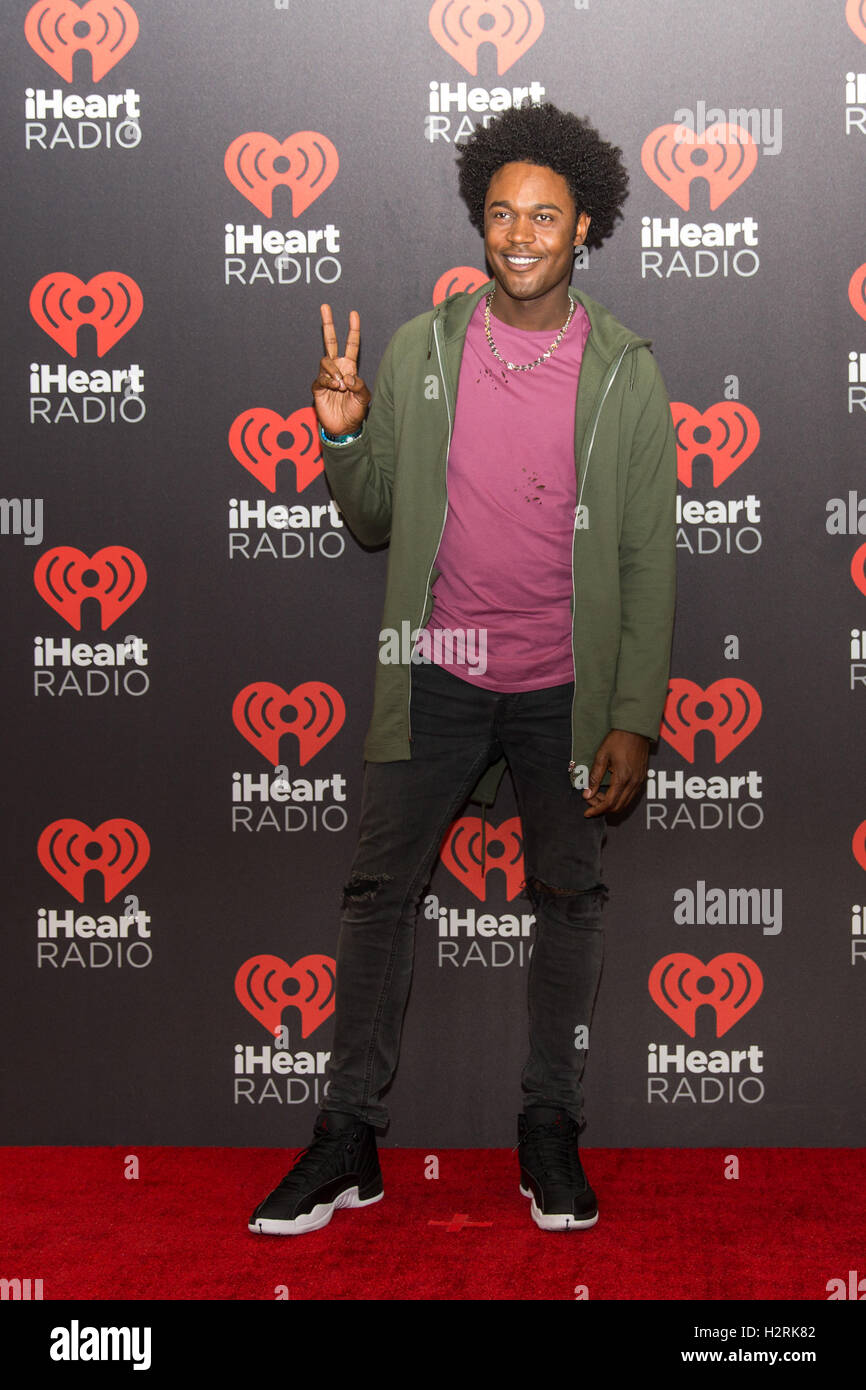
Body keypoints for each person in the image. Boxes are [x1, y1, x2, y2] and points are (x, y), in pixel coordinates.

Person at [249, 102, 676, 1236]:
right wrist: (342, 436)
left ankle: (547, 1127)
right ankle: (346, 1139)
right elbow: (377, 520)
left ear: (583, 224)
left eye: (544, 214)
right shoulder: (418, 346)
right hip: (434, 671)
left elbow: (643, 553)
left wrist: (632, 713)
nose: (520, 232)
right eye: (500, 213)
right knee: (377, 895)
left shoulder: (625, 369)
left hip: (563, 688)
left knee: (570, 898)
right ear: (478, 224)